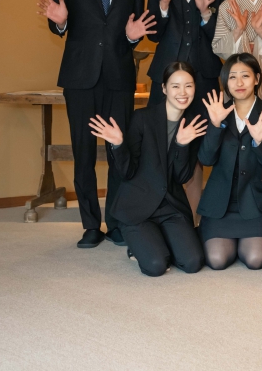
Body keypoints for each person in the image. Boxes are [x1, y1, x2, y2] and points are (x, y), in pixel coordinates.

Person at [37, 0, 154, 248]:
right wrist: (60, 22)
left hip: (119, 76)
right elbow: (58, 20)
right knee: (84, 151)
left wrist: (133, 38)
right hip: (80, 75)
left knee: (119, 149)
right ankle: (90, 224)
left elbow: (134, 29)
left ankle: (116, 222)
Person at [89, 62, 208, 277]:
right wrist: (118, 145)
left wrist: (181, 145)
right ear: (164, 88)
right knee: (156, 266)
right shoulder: (142, 118)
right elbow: (128, 172)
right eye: (175, 86)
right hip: (138, 207)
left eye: (188, 86)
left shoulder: (192, 125)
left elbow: (182, 176)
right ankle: (138, 245)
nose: (182, 92)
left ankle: (157, 240)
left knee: (192, 262)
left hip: (170, 206)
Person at [146, 0, 225, 218]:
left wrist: (205, 13)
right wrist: (164, 6)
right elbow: (153, 35)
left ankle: (192, 217)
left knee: (197, 147)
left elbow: (220, 39)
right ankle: (158, 212)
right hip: (166, 79)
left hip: (203, 79)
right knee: (161, 142)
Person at [197, 53, 262, 270]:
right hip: (219, 204)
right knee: (217, 260)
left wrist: (259, 142)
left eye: (245, 76)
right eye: (232, 77)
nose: (239, 83)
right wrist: (215, 125)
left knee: (255, 259)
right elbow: (205, 159)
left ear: (257, 79)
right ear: (226, 81)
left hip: (255, 203)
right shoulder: (218, 112)